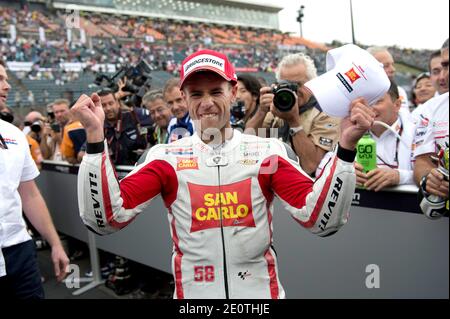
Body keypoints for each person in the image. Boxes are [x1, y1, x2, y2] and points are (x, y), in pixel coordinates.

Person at [72, 49, 375, 299]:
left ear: (232, 93)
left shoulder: (266, 152)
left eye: (216, 91)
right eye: (196, 93)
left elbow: (321, 220)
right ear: (185, 97)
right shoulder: (166, 157)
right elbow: (105, 220)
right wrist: (95, 137)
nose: (206, 102)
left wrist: (345, 148)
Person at [0, 59, 69, 299]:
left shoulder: (15, 136)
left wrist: (55, 243)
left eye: (7, 79)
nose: (7, 86)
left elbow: (29, 194)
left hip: (19, 250)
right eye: (0, 79)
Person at [251, 53, 341, 176]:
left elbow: (311, 166)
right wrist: (261, 111)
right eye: (285, 85)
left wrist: (294, 123)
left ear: (313, 83)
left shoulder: (327, 111)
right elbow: (249, 145)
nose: (292, 91)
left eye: (298, 85)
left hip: (306, 187)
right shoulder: (277, 107)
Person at [354, 81, 416, 191]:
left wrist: (399, 176)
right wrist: (345, 170)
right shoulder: (351, 130)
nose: (370, 108)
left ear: (397, 105)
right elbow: (322, 166)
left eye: (377, 101)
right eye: (366, 102)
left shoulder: (416, 131)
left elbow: (429, 174)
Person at [413, 39, 449, 217]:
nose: (443, 76)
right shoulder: (431, 108)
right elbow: (421, 163)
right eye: (444, 65)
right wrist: (430, 179)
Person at [98, 88, 148, 165]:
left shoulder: (134, 115)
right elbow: (84, 152)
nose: (108, 108)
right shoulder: (98, 126)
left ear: (117, 103)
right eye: (103, 105)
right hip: (113, 173)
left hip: (138, 170)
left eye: (111, 103)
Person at [367, 46, 410, 112]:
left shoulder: (400, 92)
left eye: (392, 64)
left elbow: (405, 119)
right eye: (386, 66)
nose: (393, 69)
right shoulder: (356, 93)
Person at [163, 77, 195, 143]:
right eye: (170, 103)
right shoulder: (172, 123)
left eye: (179, 100)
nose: (175, 107)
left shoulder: (199, 121)